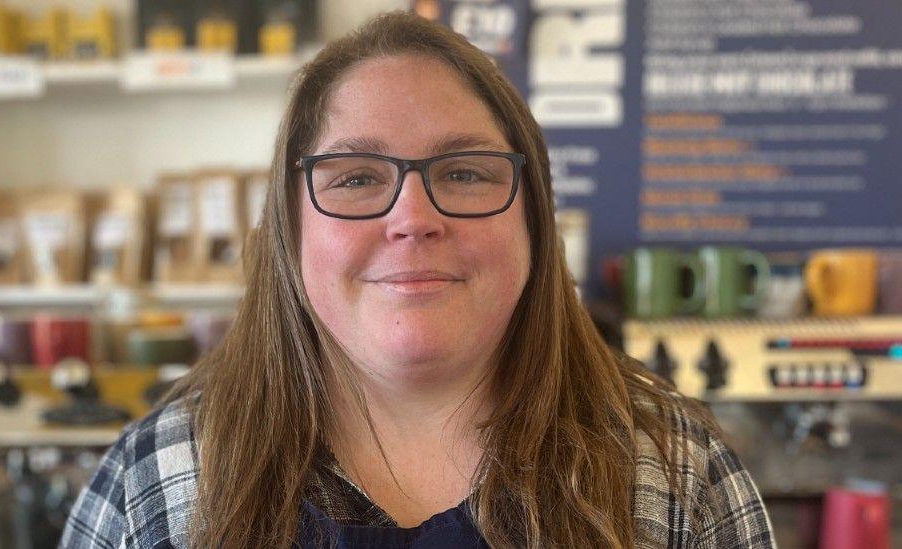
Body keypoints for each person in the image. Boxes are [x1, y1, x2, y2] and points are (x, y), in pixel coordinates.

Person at [61, 12, 775, 548]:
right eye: (358, 177)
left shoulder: (677, 471)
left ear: (535, 217)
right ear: (290, 226)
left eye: (463, 173)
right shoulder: (155, 477)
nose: (413, 217)